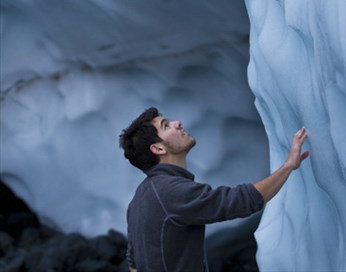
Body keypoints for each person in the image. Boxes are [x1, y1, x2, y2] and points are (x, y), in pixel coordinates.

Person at [119, 107, 309, 272]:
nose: (177, 123)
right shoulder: (170, 192)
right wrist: (288, 166)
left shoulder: (140, 197)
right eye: (166, 126)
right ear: (158, 149)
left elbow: (133, 261)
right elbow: (238, 201)